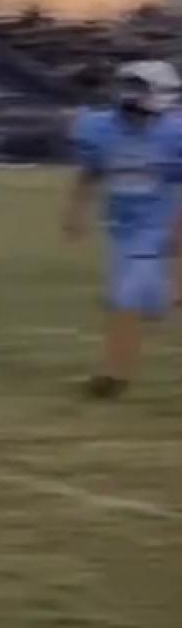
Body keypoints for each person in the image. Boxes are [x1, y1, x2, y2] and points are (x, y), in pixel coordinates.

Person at [63, 60, 182, 398]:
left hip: (156, 225)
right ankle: (119, 368)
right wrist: (76, 212)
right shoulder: (100, 129)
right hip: (120, 228)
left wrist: (177, 232)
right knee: (147, 305)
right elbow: (90, 173)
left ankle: (114, 375)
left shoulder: (174, 134)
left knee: (124, 298)